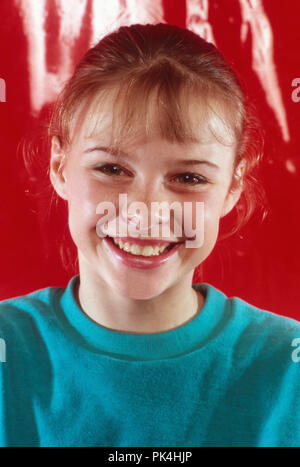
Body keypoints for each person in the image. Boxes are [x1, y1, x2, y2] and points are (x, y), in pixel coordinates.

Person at [0, 23, 299, 448]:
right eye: (112, 169)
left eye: (189, 177)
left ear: (232, 187)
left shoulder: (289, 366)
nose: (144, 213)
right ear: (59, 166)